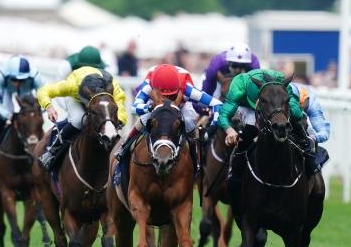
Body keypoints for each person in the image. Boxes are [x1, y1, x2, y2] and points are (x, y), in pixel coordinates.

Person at [219, 69, 318, 202]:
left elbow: (297, 113)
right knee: (248, 130)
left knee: (297, 124)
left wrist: (289, 114)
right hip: (248, 108)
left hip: (276, 106)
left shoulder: (282, 84)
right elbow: (223, 115)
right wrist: (229, 130)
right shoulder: (239, 86)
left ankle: (311, 165)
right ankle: (236, 174)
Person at [115, 64, 222, 171]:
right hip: (155, 103)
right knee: (144, 119)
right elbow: (134, 108)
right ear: (154, 89)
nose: (167, 100)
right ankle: (124, 147)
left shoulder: (187, 89)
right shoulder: (149, 85)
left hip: (180, 105)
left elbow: (217, 104)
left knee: (189, 122)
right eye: (164, 96)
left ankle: (195, 159)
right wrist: (149, 107)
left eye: (171, 96)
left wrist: (211, 128)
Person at [37, 46, 127, 171]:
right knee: (79, 120)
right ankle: (52, 152)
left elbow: (119, 102)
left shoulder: (111, 84)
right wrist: (48, 106)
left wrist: (120, 120)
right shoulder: (73, 84)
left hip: (100, 100)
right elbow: (44, 91)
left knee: (110, 119)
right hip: (76, 99)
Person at [0, 55, 45, 165]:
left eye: (21, 80)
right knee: (6, 113)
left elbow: (45, 100)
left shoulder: (36, 78)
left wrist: (38, 111)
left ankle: (45, 148)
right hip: (6, 90)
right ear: (9, 75)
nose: (17, 83)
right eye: (14, 79)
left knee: (33, 117)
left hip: (27, 91)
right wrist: (9, 116)